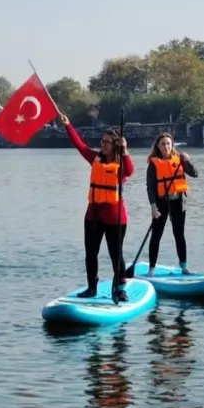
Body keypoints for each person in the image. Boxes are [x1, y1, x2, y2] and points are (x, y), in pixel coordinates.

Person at [61, 114, 134, 302]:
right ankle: (91, 288)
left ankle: (120, 289)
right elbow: (80, 146)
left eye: (108, 142)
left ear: (115, 144)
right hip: (93, 216)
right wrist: (68, 125)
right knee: (91, 253)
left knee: (115, 255)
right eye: (103, 141)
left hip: (115, 218)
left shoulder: (120, 164)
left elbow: (130, 171)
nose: (103, 144)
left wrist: (125, 151)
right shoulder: (95, 159)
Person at [145, 133, 198, 276]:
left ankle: (184, 266)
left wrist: (187, 161)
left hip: (178, 203)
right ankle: (151, 269)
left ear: (172, 145)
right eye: (163, 144)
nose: (166, 146)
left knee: (179, 234)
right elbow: (150, 187)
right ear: (158, 146)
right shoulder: (154, 164)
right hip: (162, 203)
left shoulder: (179, 160)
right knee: (156, 235)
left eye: (168, 144)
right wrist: (153, 205)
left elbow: (195, 174)